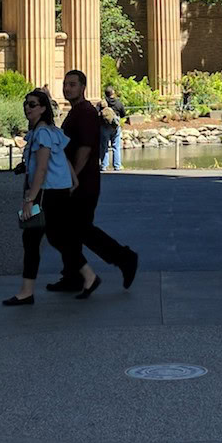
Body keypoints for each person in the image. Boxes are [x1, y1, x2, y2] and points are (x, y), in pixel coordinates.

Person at [5, 89, 98, 306]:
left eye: (33, 104)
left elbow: (42, 168)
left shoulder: (42, 134)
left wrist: (30, 199)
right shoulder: (50, 131)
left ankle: (27, 292)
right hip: (57, 191)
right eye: (26, 104)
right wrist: (73, 179)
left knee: (32, 239)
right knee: (58, 238)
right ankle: (89, 276)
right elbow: (61, 157)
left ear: (43, 109)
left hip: (47, 193)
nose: (27, 108)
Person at [53, 68, 139, 294]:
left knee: (80, 230)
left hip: (83, 183)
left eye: (72, 84)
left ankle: (124, 258)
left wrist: (72, 178)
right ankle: (72, 276)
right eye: (65, 84)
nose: (67, 88)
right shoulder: (76, 112)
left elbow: (85, 148)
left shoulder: (85, 112)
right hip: (78, 181)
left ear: (83, 87)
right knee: (72, 230)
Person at [100, 84, 127, 172]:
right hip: (115, 126)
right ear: (113, 93)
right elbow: (123, 114)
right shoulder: (118, 103)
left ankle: (104, 166)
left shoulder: (102, 103)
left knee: (104, 147)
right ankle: (117, 166)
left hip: (104, 127)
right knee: (116, 146)